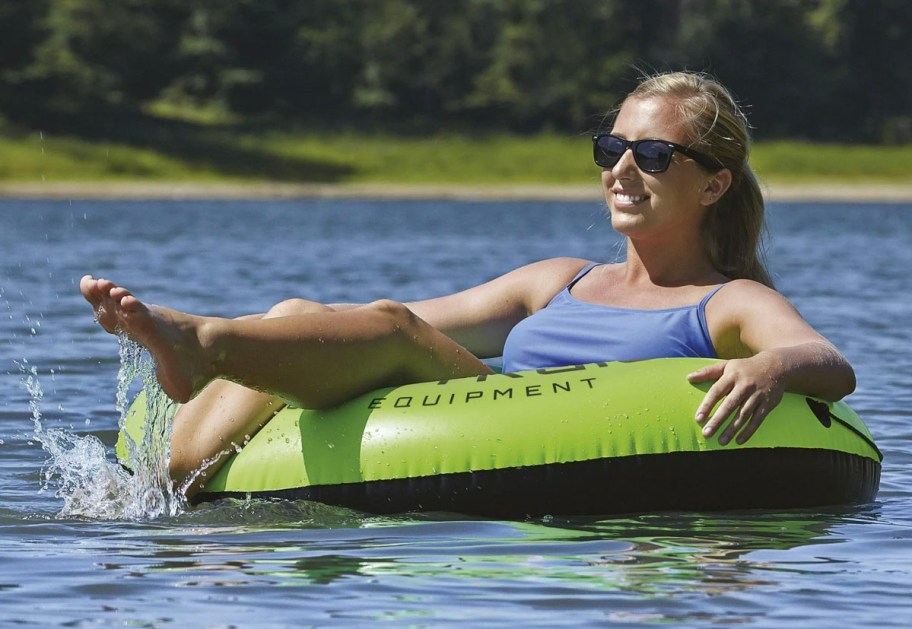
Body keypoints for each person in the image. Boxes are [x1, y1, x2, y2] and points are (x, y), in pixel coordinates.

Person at [81, 71, 855, 498]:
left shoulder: (726, 300)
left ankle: (204, 341)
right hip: (476, 408)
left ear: (714, 186)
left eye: (651, 155)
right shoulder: (556, 281)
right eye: (609, 147)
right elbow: (394, 323)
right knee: (301, 313)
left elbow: (824, 361)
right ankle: (176, 459)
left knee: (386, 327)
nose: (620, 170)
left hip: (560, 442)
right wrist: (309, 328)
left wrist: (766, 367)